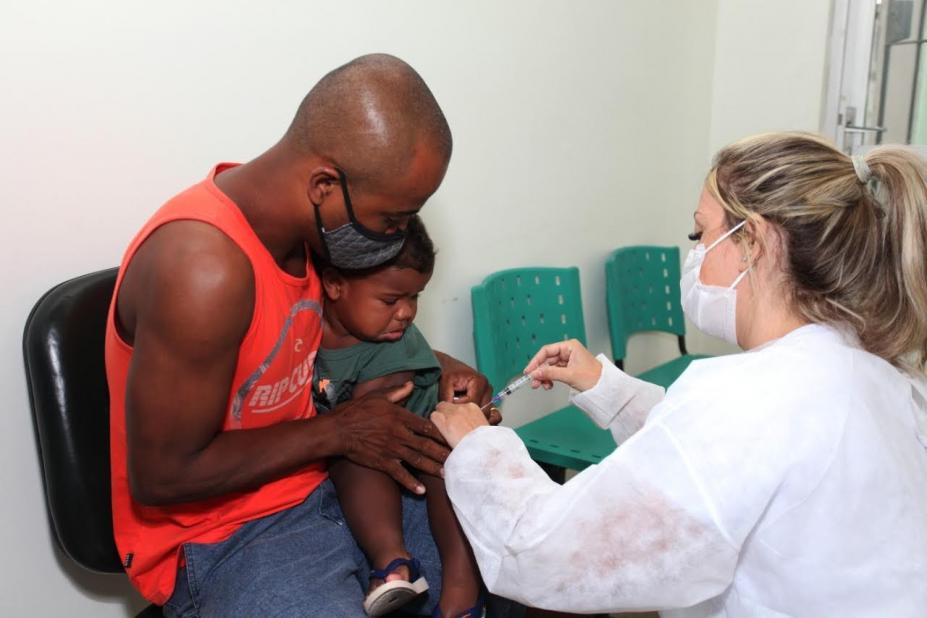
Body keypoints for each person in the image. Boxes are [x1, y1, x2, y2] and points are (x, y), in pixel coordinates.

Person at [430, 133, 927, 617]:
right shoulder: (874, 373)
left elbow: (546, 552)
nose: (695, 255)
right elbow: (709, 466)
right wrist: (606, 387)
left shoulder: (750, 400)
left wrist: (479, 448)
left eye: (701, 234)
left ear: (751, 240)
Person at [104, 54, 494, 617]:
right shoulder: (204, 270)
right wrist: (340, 431)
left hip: (331, 481)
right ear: (324, 186)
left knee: (515, 552)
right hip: (227, 534)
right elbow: (163, 475)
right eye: (392, 221)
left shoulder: (317, 236)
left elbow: (334, 352)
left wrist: (450, 370)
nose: (397, 238)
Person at [313, 215, 486, 618]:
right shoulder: (305, 329)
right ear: (335, 284)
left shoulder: (393, 343)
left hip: (423, 433)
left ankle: (462, 590)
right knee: (351, 455)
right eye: (392, 300)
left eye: (416, 297)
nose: (407, 313)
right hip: (366, 447)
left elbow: (377, 420)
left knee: (448, 467)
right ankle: (392, 563)